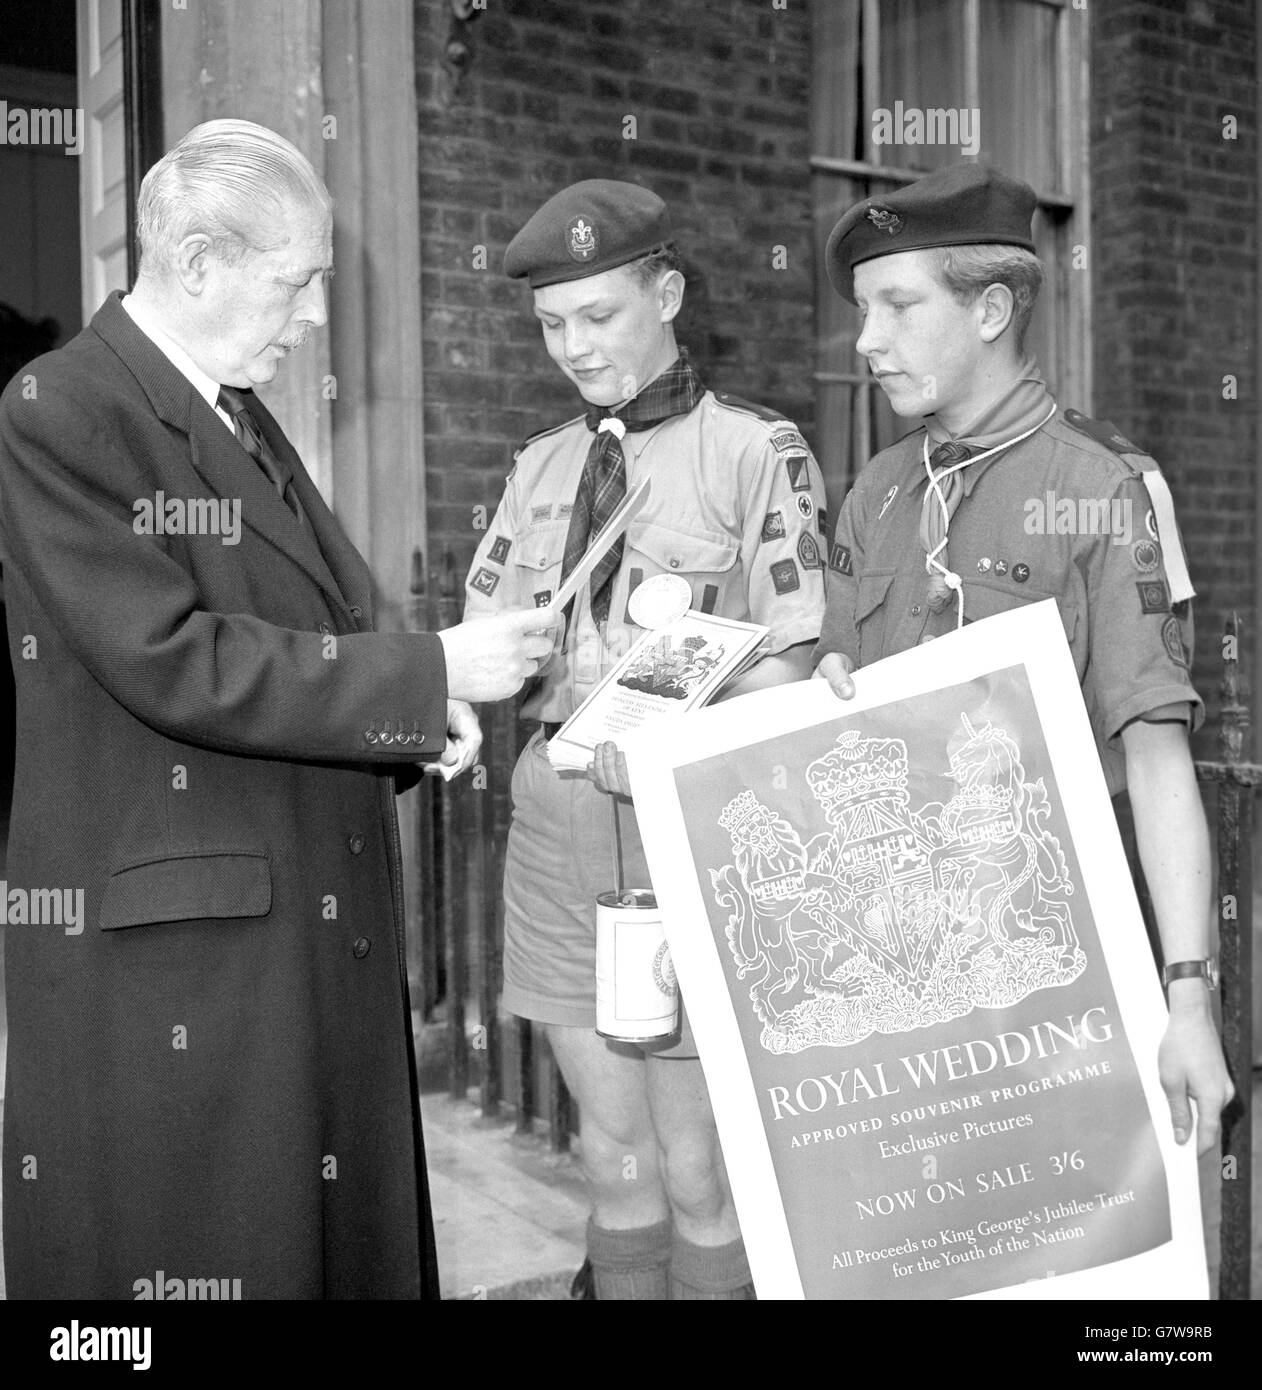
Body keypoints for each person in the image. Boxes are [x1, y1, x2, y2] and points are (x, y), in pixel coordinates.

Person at [0, 119, 556, 1299]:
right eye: (295, 282)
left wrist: (417, 712)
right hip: (185, 962)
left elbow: (315, 625)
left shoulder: (227, 404)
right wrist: (428, 672)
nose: (312, 317)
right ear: (197, 263)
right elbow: (170, 655)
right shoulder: (62, 409)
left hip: (282, 935)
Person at [813, 162, 1233, 1157]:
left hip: (1048, 970)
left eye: (897, 306)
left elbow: (1158, 760)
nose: (865, 339)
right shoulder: (872, 492)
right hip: (896, 971)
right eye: (862, 308)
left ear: (991, 308)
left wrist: (1187, 996)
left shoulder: (1100, 486)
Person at [463, 180, 827, 1299]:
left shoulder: (752, 451)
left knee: (696, 1167)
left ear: (665, 294)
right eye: (551, 324)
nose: (573, 347)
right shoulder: (538, 465)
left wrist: (678, 733)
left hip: (679, 826)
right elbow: (484, 634)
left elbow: (794, 657)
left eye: (599, 316)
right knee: (610, 1161)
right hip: (555, 824)